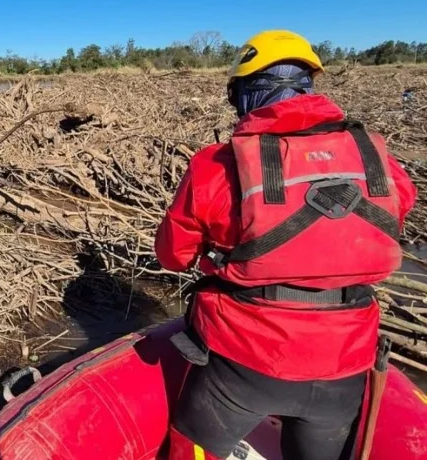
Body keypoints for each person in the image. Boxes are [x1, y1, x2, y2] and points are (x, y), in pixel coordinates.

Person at [155, 30, 417, 460]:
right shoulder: (377, 160)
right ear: (309, 84)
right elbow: (396, 211)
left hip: (243, 363)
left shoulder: (215, 166)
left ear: (244, 94)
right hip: (345, 363)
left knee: (190, 446)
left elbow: (173, 256)